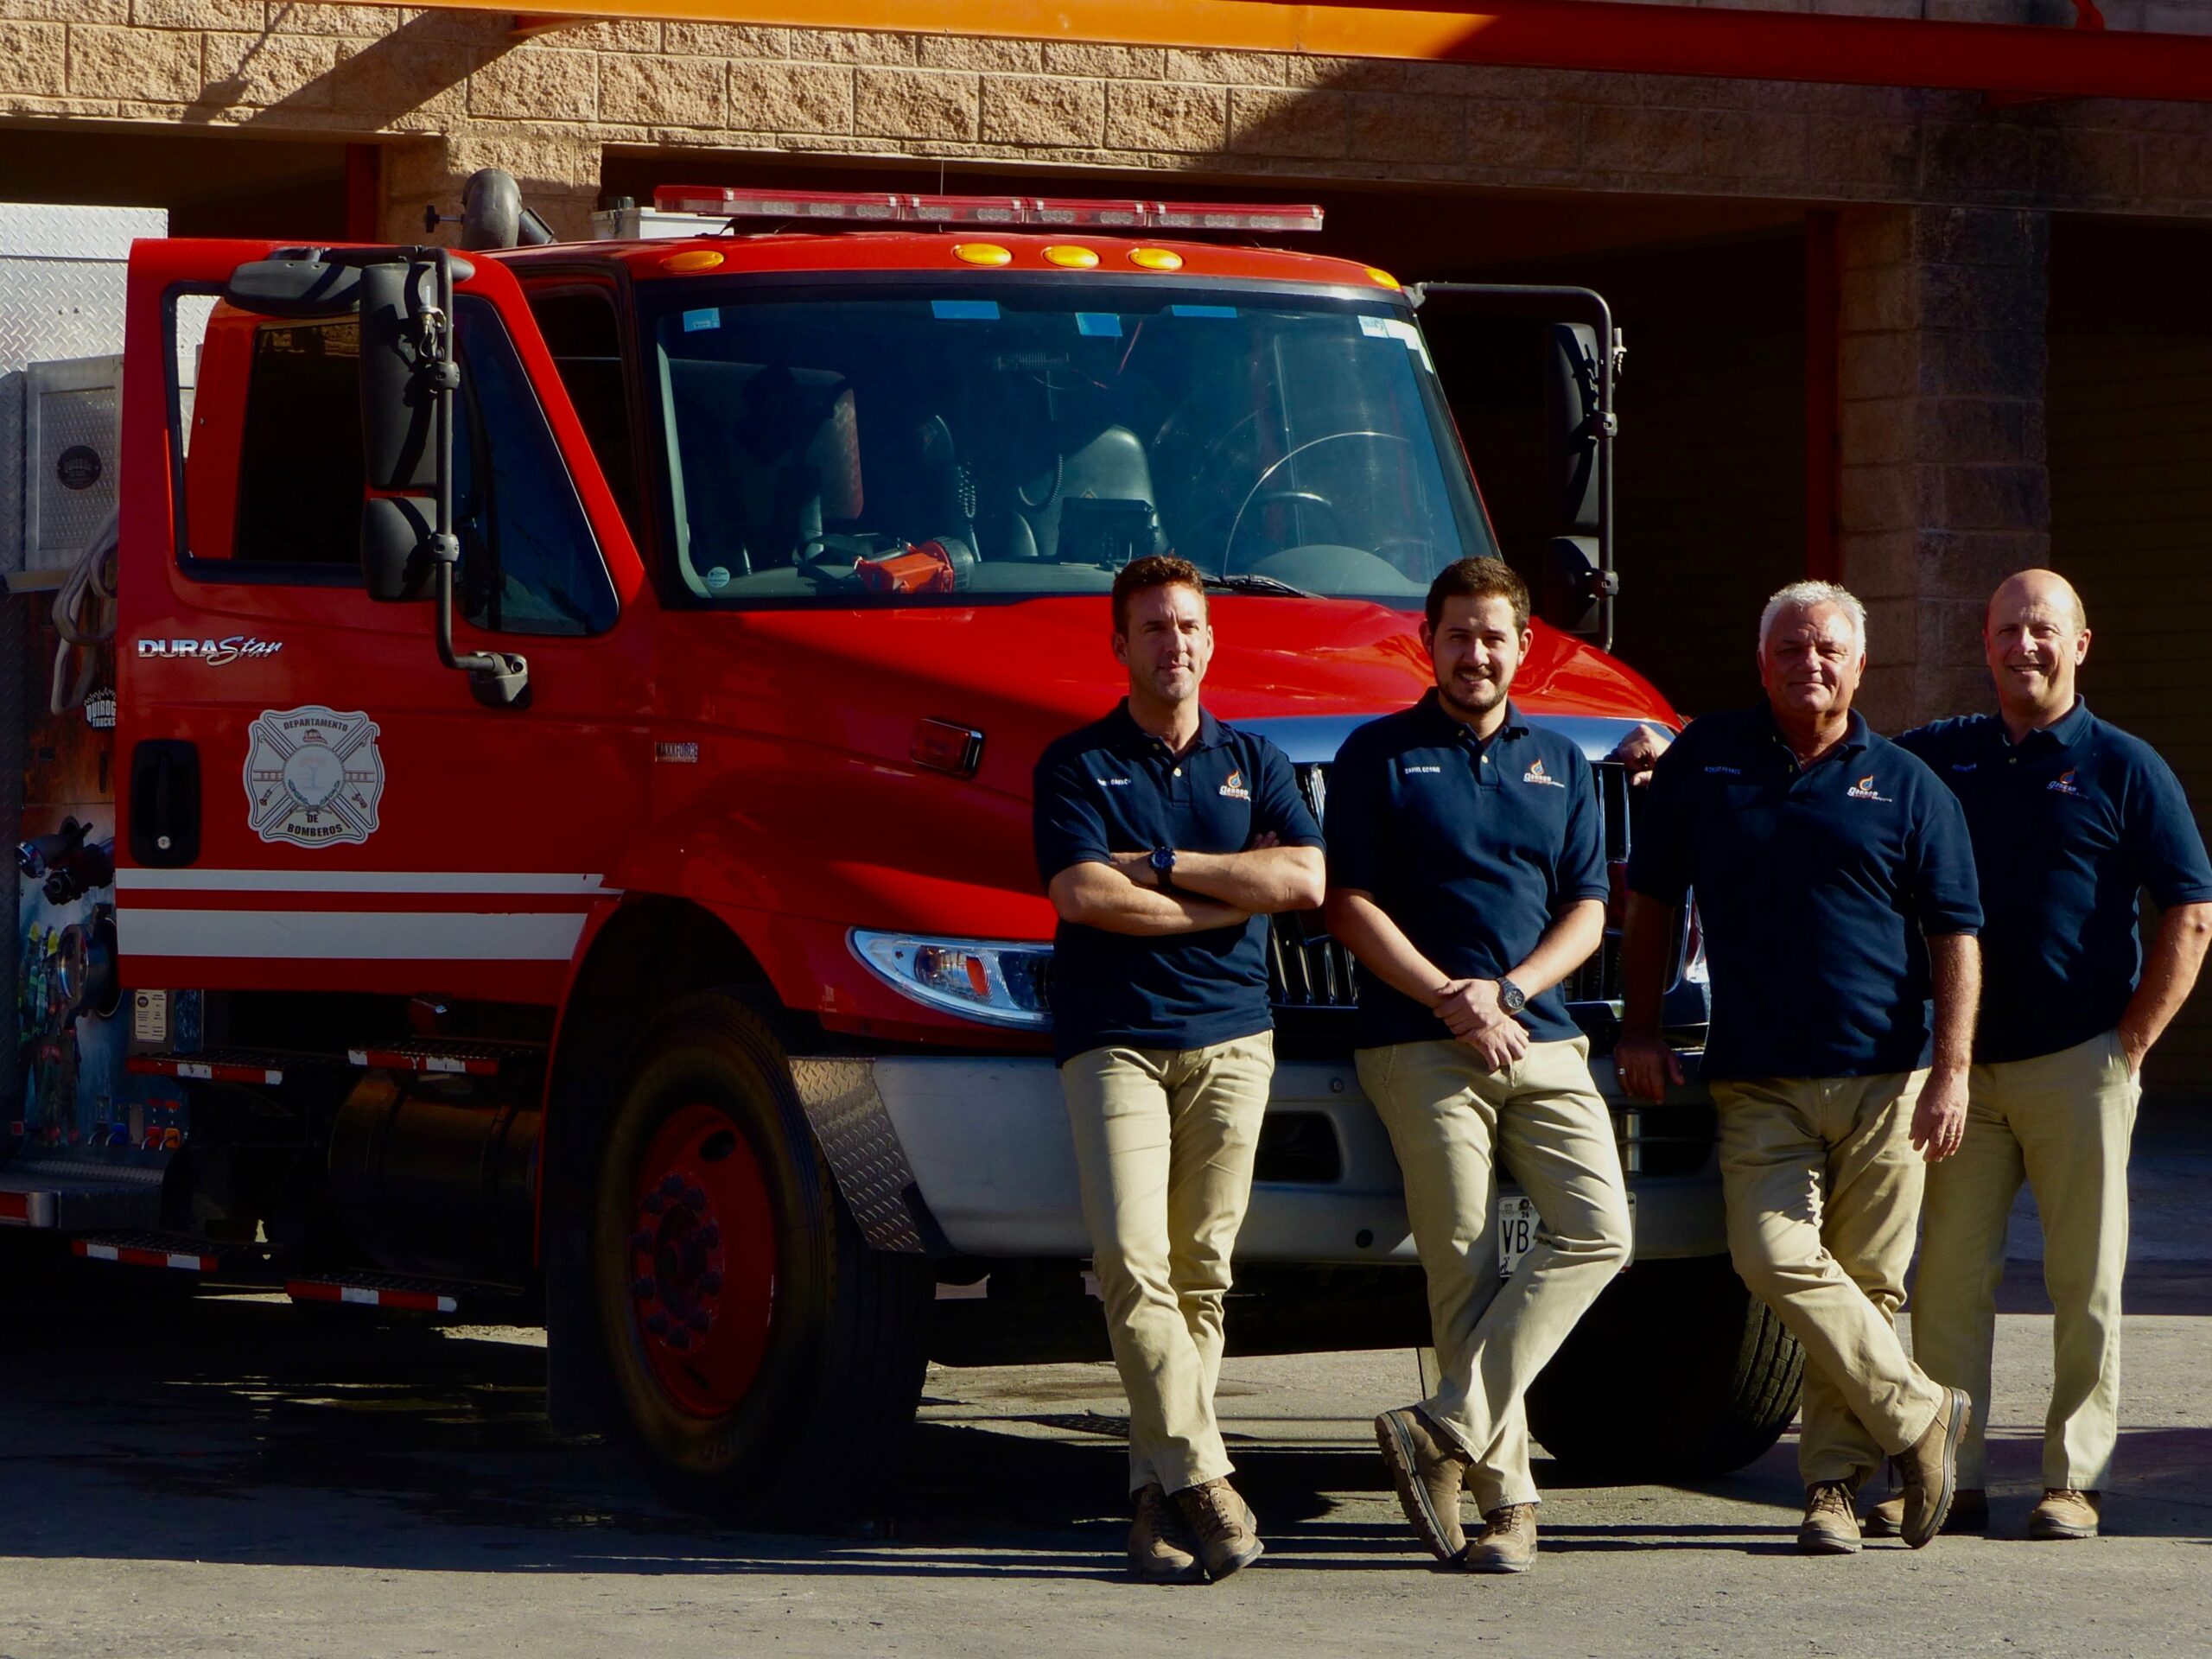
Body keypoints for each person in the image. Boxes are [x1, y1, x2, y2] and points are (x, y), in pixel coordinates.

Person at [1617, 579, 1982, 1556]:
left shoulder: (1909, 785)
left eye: (1827, 649)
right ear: (1760, 659)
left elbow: (1955, 937)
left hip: (1885, 1080)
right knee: (1770, 1259)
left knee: (1867, 1285)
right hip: (1757, 1078)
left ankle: (1831, 1487)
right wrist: (1641, 1026)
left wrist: (1951, 1069)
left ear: (1859, 664)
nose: (1809, 664)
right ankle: (1917, 1414)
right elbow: (1650, 900)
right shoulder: (1707, 762)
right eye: (1790, 648)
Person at [1873, 569, 2212, 1541]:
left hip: (2080, 1062)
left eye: (2043, 630)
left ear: (2080, 644)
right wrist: (1670, 756)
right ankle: (1952, 1477)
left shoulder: (2124, 765)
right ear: (1983, 644)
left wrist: (2130, 1044)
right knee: (1945, 1283)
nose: (2025, 645)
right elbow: (1834, 769)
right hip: (1959, 1074)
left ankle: (2074, 1481)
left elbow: (2190, 912)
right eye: (2008, 630)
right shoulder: (1942, 757)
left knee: (2084, 1281)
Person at [1325, 557, 1633, 1574]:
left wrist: (1506, 990)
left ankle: (1443, 1426)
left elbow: (1587, 908)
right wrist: (1447, 998)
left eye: (1493, 635)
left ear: (1522, 646)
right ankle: (1509, 1507)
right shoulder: (1376, 754)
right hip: (1418, 1044)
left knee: (1598, 1231)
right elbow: (1349, 905)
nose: (1476, 653)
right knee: (1463, 1259)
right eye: (1457, 634)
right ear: (1430, 641)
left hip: (1539, 1035)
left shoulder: (1564, 767)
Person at [1032, 553, 1326, 1583]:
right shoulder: (1074, 764)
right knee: (1131, 1263)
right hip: (1113, 1037)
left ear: (1212, 640)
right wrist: (1224, 901)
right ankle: (1207, 1477)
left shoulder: (1259, 758)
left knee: (1202, 1274)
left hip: (1234, 1037)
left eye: (1190, 627)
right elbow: (1081, 896)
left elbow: (1302, 877)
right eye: (1154, 628)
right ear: (1120, 645)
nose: (1176, 643)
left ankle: (1154, 1502)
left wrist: (1160, 867)